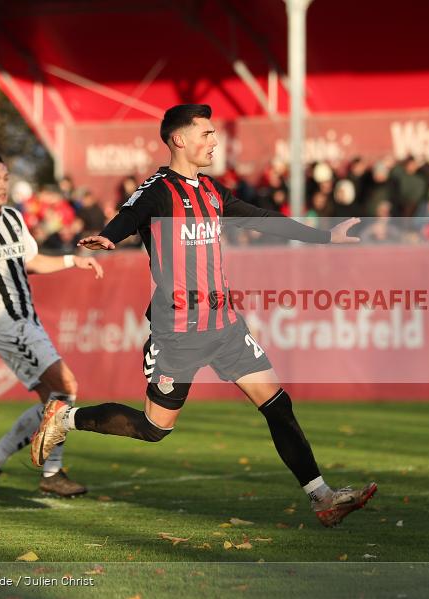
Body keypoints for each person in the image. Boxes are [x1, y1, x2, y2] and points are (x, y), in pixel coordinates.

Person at [30, 105, 377, 527]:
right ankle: (65, 417)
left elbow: (262, 220)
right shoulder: (159, 188)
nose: (215, 141)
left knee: (278, 405)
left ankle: (321, 497)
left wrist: (322, 237)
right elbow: (132, 212)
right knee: (156, 428)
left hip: (225, 325)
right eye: (207, 134)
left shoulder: (211, 191)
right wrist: (109, 235)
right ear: (179, 139)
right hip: (178, 330)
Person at [0, 146, 104, 498]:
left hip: (28, 319)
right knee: (66, 386)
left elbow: (34, 262)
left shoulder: (12, 217)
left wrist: (74, 260)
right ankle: (52, 473)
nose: (2, 185)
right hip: (4, 323)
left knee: (53, 400)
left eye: (6, 178)